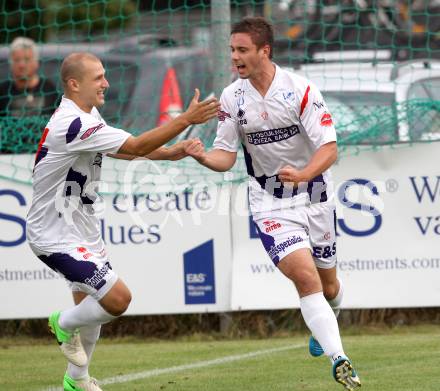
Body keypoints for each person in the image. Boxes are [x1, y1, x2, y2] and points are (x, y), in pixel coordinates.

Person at [184, 17, 361, 390]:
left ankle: (330, 315)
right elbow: (225, 156)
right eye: (232, 50)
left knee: (328, 287)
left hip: (314, 194)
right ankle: (340, 360)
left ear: (265, 51)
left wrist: (302, 174)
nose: (235, 58)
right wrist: (201, 156)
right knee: (305, 277)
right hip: (269, 203)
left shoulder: (300, 89)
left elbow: (329, 149)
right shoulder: (232, 97)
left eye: (242, 50)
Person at [26, 52, 219, 391]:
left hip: (81, 228)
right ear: (74, 84)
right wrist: (186, 118)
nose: (107, 83)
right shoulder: (72, 123)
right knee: (117, 300)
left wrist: (169, 152)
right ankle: (62, 324)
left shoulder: (87, 116)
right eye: (98, 77)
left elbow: (121, 149)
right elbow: (136, 143)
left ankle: (78, 381)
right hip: (54, 234)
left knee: (93, 306)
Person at [0, 37, 59, 152]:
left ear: (36, 62)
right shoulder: (3, 90)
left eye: (26, 59)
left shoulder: (49, 89)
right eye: (17, 60)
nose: (21, 65)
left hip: (42, 155)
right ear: (11, 64)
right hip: (8, 157)